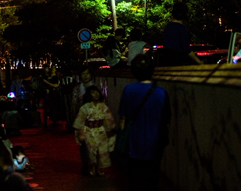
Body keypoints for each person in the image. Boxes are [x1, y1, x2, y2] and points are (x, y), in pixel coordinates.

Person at [118, 54, 171, 191]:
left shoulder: (128, 91)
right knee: (152, 176)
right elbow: (167, 118)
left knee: (135, 176)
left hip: (134, 140)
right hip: (155, 141)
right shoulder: (162, 93)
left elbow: (123, 118)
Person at [73, 86, 117, 176]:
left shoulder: (103, 106)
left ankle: (99, 168)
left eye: (97, 92)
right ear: (89, 95)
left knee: (101, 151)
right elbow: (80, 120)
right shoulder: (85, 107)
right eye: (93, 92)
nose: (96, 94)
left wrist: (109, 129)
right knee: (91, 151)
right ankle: (93, 168)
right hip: (89, 131)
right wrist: (81, 132)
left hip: (101, 130)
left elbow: (108, 119)